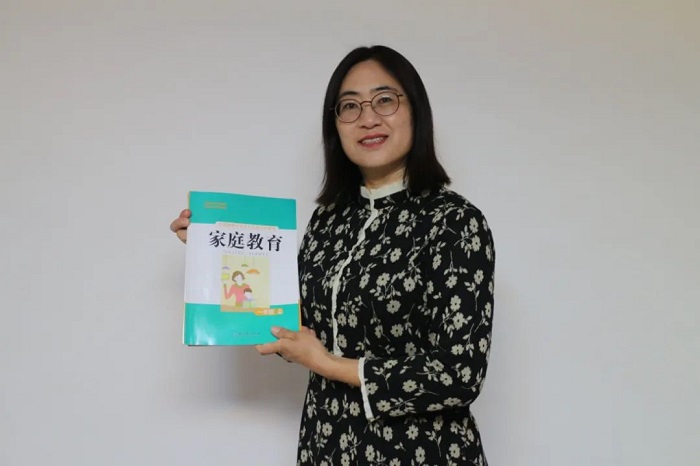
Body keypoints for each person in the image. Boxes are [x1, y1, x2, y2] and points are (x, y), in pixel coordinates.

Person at [170, 45, 495, 465]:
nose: (368, 118)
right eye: (350, 106)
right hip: (328, 444)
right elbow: (291, 320)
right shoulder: (328, 221)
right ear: (335, 126)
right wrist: (217, 251)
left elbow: (460, 374)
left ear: (416, 111)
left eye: (384, 100)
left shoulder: (454, 222)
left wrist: (328, 364)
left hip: (422, 451)